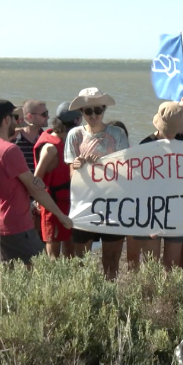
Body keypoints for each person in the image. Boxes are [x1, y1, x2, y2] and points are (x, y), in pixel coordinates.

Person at [0, 99, 72, 268]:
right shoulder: (9, 150)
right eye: (15, 117)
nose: (18, 121)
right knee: (42, 272)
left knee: (6, 278)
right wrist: (61, 216)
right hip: (16, 226)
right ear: (6, 120)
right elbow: (34, 187)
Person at [65, 87, 129, 278]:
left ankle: (108, 299)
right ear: (82, 112)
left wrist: (102, 165)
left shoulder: (118, 134)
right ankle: (83, 299)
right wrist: (78, 165)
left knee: (111, 259)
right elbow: (71, 176)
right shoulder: (74, 135)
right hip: (84, 204)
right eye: (88, 111)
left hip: (113, 204)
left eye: (98, 110)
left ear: (104, 110)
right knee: (80, 260)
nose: (93, 115)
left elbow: (125, 170)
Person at [138, 101, 183, 269]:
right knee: (151, 263)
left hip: (177, 209)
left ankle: (169, 295)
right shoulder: (145, 144)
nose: (170, 134)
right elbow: (139, 183)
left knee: (172, 262)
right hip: (150, 210)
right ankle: (150, 295)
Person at [33, 103, 80, 258]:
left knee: (70, 250)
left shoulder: (67, 141)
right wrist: (38, 202)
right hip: (52, 205)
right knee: (53, 253)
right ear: (76, 122)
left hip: (68, 203)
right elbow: (36, 180)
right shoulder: (50, 147)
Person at [14, 100, 47, 173]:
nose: (48, 117)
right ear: (30, 116)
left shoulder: (46, 139)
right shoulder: (13, 139)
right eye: (44, 114)